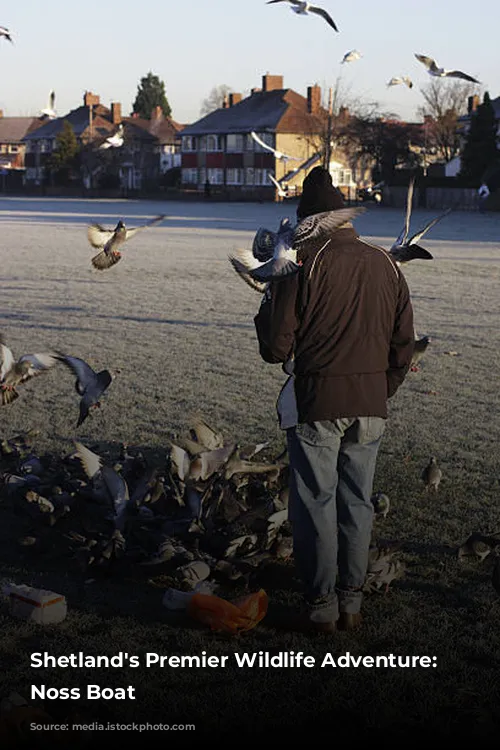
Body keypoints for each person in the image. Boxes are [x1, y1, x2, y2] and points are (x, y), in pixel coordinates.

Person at [254, 167, 415, 634]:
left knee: (315, 503)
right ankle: (352, 601)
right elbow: (404, 342)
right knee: (358, 501)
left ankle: (322, 607)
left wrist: (268, 300)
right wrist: (381, 388)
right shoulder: (385, 262)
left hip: (318, 400)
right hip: (371, 403)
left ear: (311, 221)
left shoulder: (302, 263)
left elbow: (276, 349)